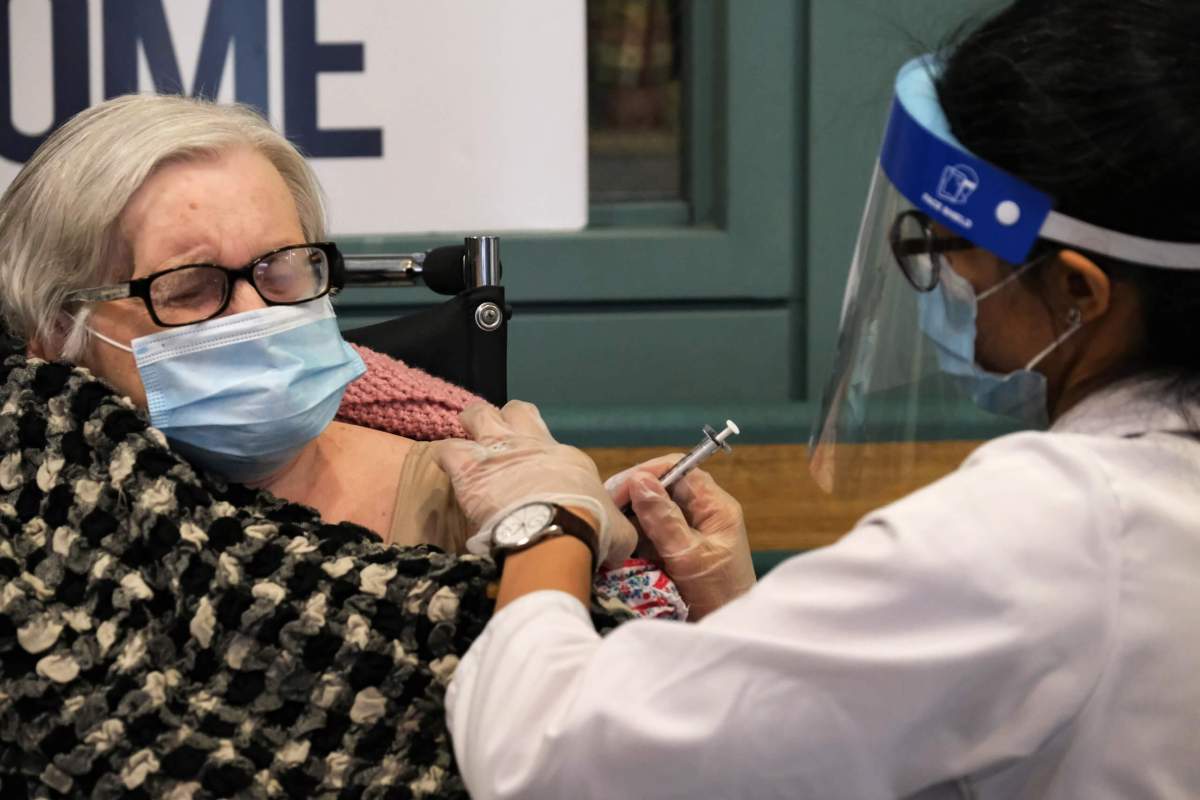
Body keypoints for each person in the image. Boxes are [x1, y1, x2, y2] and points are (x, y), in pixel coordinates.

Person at [434, 1, 1200, 797]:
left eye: (949, 251)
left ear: (1080, 291)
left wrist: (548, 520)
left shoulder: (1055, 528)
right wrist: (746, 624)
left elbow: (553, 758)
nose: (939, 284)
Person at [0, 94, 472, 552]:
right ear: (58, 331)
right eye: (188, 289)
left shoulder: (474, 500)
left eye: (283, 271)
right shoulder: (32, 536)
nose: (255, 314)